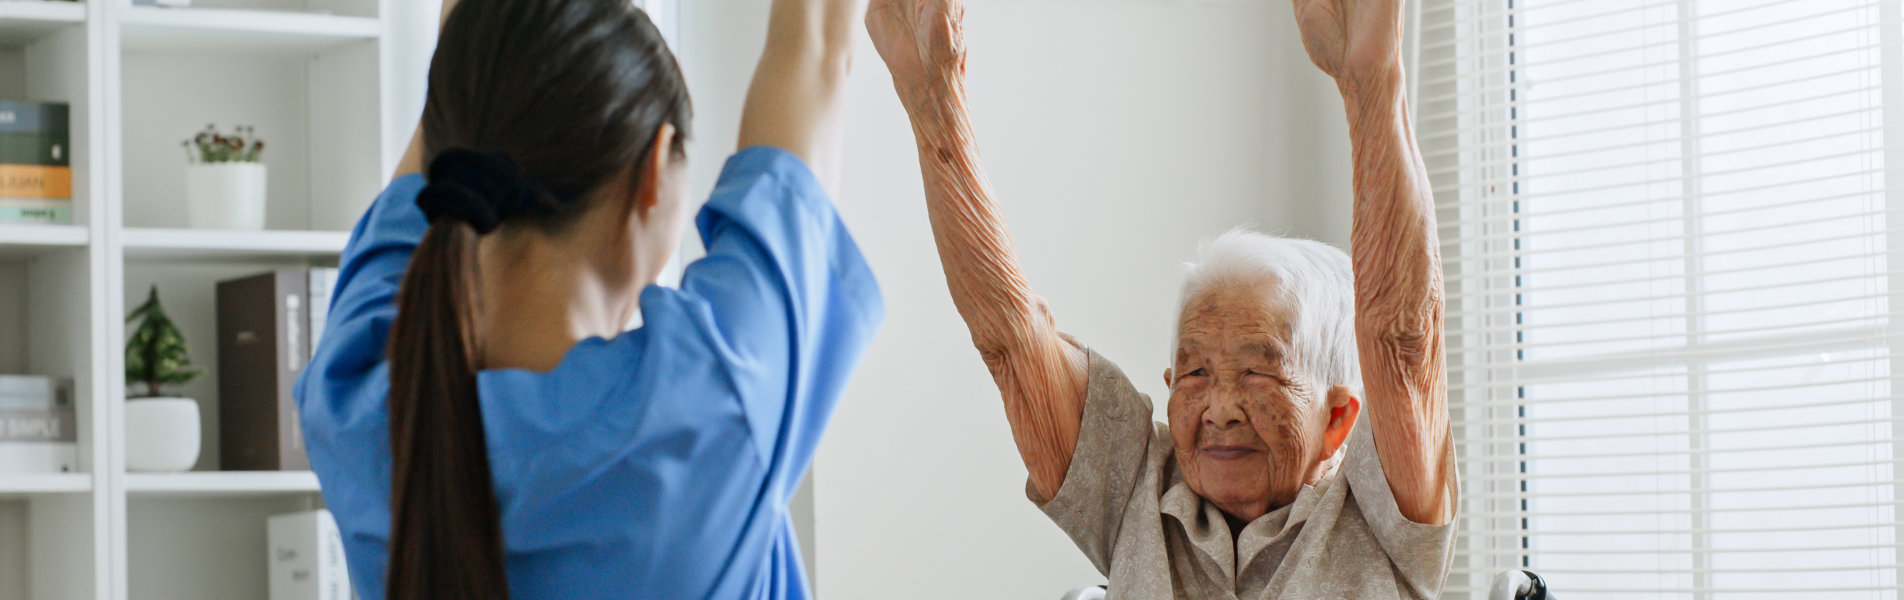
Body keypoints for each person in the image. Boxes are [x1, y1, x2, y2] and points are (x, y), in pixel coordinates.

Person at [866, 0, 1455, 597]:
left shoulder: (1386, 508)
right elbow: (1011, 343)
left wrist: (1372, 86)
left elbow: (1402, 341)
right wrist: (933, 95)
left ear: (1336, 419)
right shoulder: (1134, 483)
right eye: (1195, 372)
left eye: (1257, 372)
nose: (1220, 407)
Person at [293, 0, 880, 597]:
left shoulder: (354, 403)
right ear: (655, 167)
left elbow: (464, 99)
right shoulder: (707, 399)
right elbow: (810, 50)